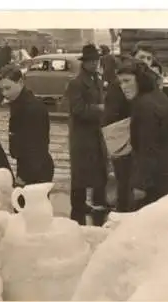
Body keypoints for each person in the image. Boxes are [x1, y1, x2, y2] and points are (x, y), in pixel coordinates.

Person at [129, 61, 168, 207]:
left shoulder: (145, 105)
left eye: (127, 81)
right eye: (120, 82)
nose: (123, 87)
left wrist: (140, 184)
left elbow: (147, 146)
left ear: (139, 81)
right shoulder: (159, 97)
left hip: (156, 177)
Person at [65, 44, 108, 226]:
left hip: (96, 133)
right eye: (91, 61)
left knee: (97, 168)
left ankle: (95, 204)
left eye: (96, 60)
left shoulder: (97, 79)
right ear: (85, 63)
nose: (95, 64)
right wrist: (100, 109)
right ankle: (77, 207)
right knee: (80, 173)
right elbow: (77, 109)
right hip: (81, 135)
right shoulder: (76, 83)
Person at [0, 64, 54, 186]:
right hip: (29, 167)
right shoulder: (19, 103)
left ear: (21, 82)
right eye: (1, 89)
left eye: (8, 88)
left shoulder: (31, 108)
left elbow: (36, 147)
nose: (4, 93)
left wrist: (24, 176)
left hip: (35, 171)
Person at [103, 62, 137, 212]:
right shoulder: (118, 88)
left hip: (124, 138)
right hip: (122, 138)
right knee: (125, 180)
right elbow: (112, 114)